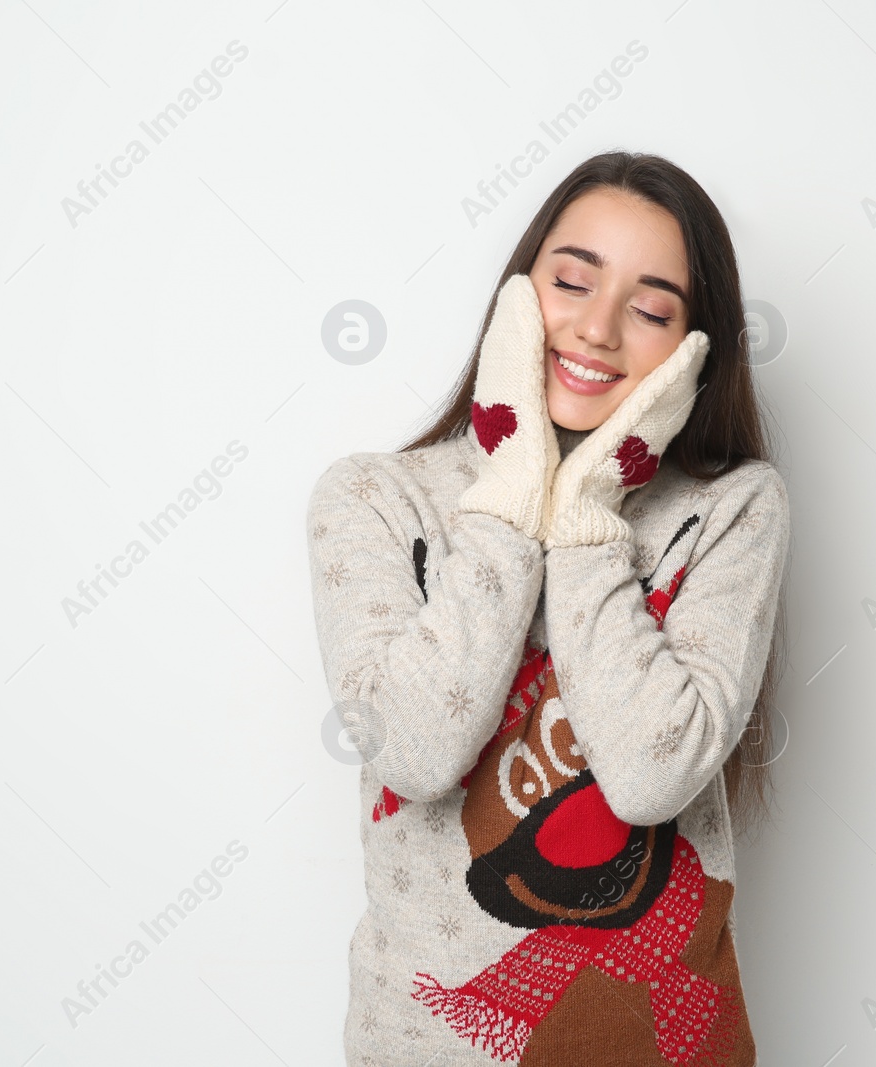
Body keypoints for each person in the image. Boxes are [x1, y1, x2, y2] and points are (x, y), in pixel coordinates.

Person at [307, 150, 791, 1065]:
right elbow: (413, 750)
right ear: (515, 301)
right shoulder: (373, 498)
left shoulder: (731, 508)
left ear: (697, 352)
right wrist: (511, 492)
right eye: (571, 282)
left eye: (652, 310)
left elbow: (652, 776)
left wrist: (587, 516)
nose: (599, 328)